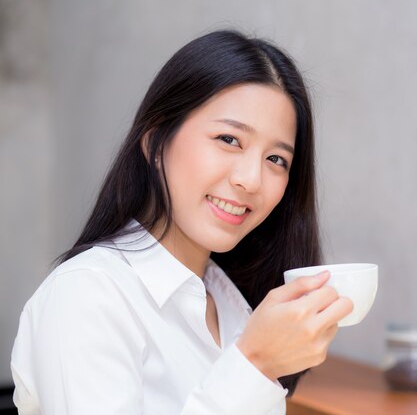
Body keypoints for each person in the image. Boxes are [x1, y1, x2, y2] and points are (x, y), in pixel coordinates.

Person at [10, 29, 353, 415]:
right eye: (229, 139)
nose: (251, 180)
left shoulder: (234, 307)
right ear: (155, 142)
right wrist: (254, 365)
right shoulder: (86, 296)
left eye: (276, 159)